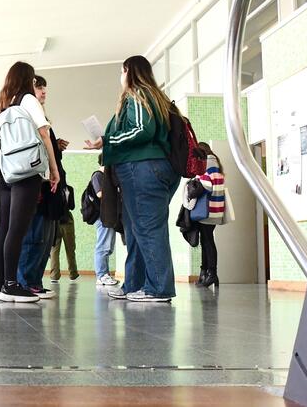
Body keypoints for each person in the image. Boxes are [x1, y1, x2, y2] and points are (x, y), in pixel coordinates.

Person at [85, 55, 180, 303]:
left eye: (121, 71)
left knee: (148, 229)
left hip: (143, 169)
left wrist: (108, 142)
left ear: (129, 71)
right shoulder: (155, 97)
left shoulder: (138, 93)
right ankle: (135, 283)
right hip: (151, 170)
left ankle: (158, 288)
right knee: (136, 230)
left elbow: (142, 129)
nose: (120, 77)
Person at [0, 62, 60, 303]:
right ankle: (11, 284)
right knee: (18, 229)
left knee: (3, 229)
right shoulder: (28, 100)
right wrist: (54, 168)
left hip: (1, 174)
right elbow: (44, 133)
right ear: (29, 80)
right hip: (24, 171)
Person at [17, 74, 67, 299]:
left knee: (45, 238)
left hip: (49, 188)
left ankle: (34, 280)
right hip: (38, 185)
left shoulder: (42, 118)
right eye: (39, 87)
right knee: (33, 236)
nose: (44, 92)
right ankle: (25, 281)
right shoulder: (25, 115)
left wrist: (56, 147)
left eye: (45, 88)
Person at [195, 142, 225, 288]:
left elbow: (206, 186)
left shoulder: (206, 165)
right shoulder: (216, 163)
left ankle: (211, 274)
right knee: (206, 240)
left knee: (207, 242)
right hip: (216, 209)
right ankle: (206, 273)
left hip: (207, 209)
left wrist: (194, 186)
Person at [91, 154, 119, 286]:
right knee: (103, 246)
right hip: (102, 217)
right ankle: (101, 275)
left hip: (108, 216)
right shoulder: (98, 176)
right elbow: (100, 194)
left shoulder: (107, 178)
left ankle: (105, 275)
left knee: (107, 246)